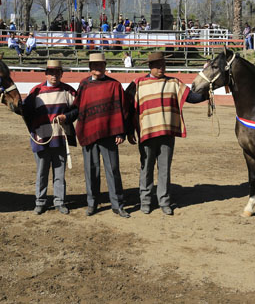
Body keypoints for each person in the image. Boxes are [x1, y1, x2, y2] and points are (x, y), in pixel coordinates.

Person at [125, 52, 207, 215]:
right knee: (146, 168)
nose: (160, 68)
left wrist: (207, 91)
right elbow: (127, 107)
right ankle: (146, 201)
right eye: (157, 65)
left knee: (164, 169)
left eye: (162, 64)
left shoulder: (174, 83)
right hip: (146, 134)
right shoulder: (138, 83)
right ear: (149, 67)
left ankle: (164, 201)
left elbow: (192, 97)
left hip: (167, 133)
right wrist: (128, 131)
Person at [73, 52, 132, 218]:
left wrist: (121, 131)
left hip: (109, 134)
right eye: (94, 65)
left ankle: (118, 204)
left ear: (105, 67)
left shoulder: (114, 85)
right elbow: (78, 108)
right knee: (91, 170)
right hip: (89, 133)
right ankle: (92, 203)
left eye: (100, 65)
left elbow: (122, 109)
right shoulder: (83, 85)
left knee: (113, 170)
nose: (97, 68)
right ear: (90, 68)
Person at [22, 60, 78, 215]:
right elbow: (25, 113)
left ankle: (59, 201)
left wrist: (66, 117)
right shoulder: (36, 91)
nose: (54, 75)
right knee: (42, 172)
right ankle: (40, 201)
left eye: (57, 72)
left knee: (60, 173)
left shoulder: (69, 91)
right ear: (46, 74)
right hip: (41, 139)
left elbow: (78, 109)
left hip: (60, 138)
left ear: (61, 73)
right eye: (51, 72)